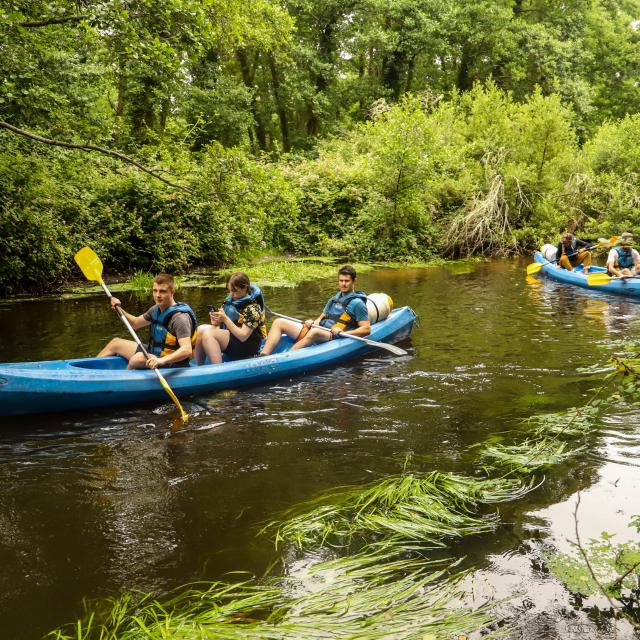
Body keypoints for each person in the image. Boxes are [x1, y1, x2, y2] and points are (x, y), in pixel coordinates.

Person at [260, 265, 371, 356]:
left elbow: (366, 329)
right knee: (279, 322)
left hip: (333, 335)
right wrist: (313, 322)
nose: (343, 284)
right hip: (319, 329)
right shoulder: (334, 298)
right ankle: (263, 356)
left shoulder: (357, 303)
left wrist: (343, 333)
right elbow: (322, 317)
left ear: (354, 281)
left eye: (347, 281)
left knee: (315, 332)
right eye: (341, 280)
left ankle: (286, 358)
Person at [97, 273, 197, 369]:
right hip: (155, 353)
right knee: (115, 343)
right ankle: (89, 371)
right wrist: (118, 308)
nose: (157, 295)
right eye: (155, 291)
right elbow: (135, 323)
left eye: (162, 291)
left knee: (137, 358)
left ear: (172, 292)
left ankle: (124, 382)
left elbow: (186, 350)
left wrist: (161, 361)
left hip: (172, 362)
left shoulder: (180, 318)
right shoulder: (155, 310)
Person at [195, 272, 266, 364]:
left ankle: (218, 370)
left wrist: (225, 319)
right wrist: (216, 319)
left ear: (245, 287)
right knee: (200, 329)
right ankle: (199, 367)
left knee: (209, 334)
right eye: (229, 290)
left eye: (235, 290)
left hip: (248, 344)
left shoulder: (253, 308)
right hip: (233, 336)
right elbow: (219, 325)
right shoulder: (230, 301)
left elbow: (243, 336)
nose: (231, 294)